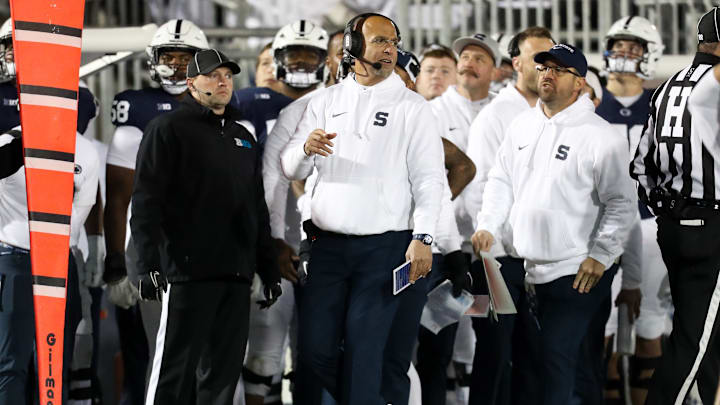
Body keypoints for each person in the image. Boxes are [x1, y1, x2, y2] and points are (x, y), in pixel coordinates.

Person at [280, 13, 445, 405]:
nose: (390, 50)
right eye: (380, 41)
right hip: (326, 249)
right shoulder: (324, 102)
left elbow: (429, 179)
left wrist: (423, 237)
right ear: (353, 46)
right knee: (315, 350)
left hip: (385, 250)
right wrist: (305, 149)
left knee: (364, 352)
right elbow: (289, 167)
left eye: (394, 42)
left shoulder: (413, 107)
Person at [472, 43, 636, 405]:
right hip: (531, 271)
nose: (547, 74)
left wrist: (601, 255)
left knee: (558, 359)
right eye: (544, 67)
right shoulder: (522, 124)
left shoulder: (602, 136)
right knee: (539, 363)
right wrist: (489, 224)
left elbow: (622, 202)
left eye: (559, 70)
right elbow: (500, 180)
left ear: (579, 83)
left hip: (577, 270)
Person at [132, 49, 281, 405]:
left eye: (228, 76)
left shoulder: (244, 136)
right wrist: (146, 264)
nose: (223, 82)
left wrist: (268, 267)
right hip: (186, 274)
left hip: (235, 275)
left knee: (222, 380)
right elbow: (146, 200)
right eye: (213, 75)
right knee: (173, 372)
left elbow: (256, 207)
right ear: (191, 83)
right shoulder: (167, 129)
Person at [102, 19, 208, 404]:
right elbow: (118, 199)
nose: (178, 67)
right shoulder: (137, 116)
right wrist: (116, 263)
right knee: (148, 359)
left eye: (187, 59)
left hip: (205, 255)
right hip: (150, 254)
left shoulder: (224, 113)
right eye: (171, 57)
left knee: (204, 361)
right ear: (155, 59)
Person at [630, 8, 720, 404]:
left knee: (703, 332)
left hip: (674, 225)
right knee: (693, 342)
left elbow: (640, 166)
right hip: (711, 226)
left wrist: (671, 213)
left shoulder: (668, 86)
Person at [464, 26, 555, 405]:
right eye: (538, 59)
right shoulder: (496, 117)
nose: (547, 69)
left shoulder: (555, 115)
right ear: (516, 63)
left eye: (553, 60)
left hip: (539, 260)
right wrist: (493, 254)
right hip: (498, 262)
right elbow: (478, 189)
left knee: (534, 360)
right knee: (495, 358)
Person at [244, 19, 329, 405]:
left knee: (318, 350)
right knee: (264, 350)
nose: (300, 64)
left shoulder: (338, 102)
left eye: (309, 56)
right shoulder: (249, 104)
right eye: (293, 55)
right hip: (272, 239)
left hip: (327, 242)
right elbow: (267, 180)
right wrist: (270, 241)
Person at [416, 32, 498, 405]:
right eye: (464, 55)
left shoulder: (505, 112)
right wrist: (437, 213)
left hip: (493, 248)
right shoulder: (429, 112)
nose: (469, 62)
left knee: (488, 338)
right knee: (441, 338)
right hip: (447, 244)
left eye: (480, 57)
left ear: (495, 69)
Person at [0, 126, 99, 404]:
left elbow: (82, 208)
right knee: (11, 362)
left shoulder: (85, 149)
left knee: (54, 365)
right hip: (13, 256)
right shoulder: (8, 141)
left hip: (58, 259)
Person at [595, 16, 666, 405]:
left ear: (649, 54)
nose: (623, 53)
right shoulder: (586, 102)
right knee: (601, 321)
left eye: (633, 47)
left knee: (650, 319)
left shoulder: (662, 105)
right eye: (618, 45)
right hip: (597, 225)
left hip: (651, 224)